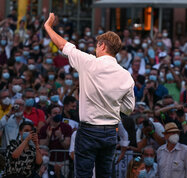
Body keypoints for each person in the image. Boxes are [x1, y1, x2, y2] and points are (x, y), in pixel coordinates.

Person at [44, 13, 135, 178]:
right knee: (105, 175)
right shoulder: (126, 75)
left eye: (96, 45)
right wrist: (110, 104)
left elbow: (63, 45)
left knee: (83, 175)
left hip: (89, 130)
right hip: (110, 132)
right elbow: (128, 109)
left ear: (101, 45)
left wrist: (48, 27)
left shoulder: (89, 63)